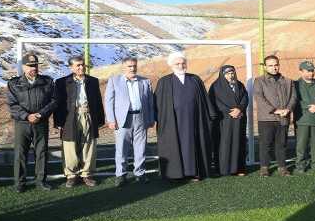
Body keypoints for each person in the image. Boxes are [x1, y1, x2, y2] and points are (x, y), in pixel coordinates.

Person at [155, 52, 216, 181]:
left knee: (194, 144)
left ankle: (194, 172)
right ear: (171, 65)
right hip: (174, 122)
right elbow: (158, 104)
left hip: (195, 120)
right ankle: (176, 174)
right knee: (175, 145)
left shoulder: (195, 79)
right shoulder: (164, 82)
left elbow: (204, 99)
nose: (180, 66)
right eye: (177, 63)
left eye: (183, 63)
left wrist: (210, 115)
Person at [7, 53, 57, 192]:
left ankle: (41, 181)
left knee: (41, 152)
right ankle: (19, 182)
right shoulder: (14, 83)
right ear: (23, 67)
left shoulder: (47, 82)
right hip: (22, 124)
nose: (33, 68)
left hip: (41, 122)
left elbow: (53, 101)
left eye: (35, 65)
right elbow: (12, 105)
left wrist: (40, 114)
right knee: (20, 153)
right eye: (29, 66)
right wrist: (26, 116)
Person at [104, 57, 155, 187]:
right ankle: (121, 175)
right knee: (121, 148)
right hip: (122, 120)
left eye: (134, 66)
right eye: (129, 66)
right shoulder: (114, 81)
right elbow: (109, 101)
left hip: (140, 118)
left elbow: (150, 102)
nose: (132, 68)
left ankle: (140, 173)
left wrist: (151, 118)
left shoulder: (145, 81)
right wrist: (111, 119)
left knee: (141, 147)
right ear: (123, 67)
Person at [55, 56, 105, 188]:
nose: (81, 67)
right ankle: (71, 175)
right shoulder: (61, 82)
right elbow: (58, 104)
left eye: (82, 65)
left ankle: (87, 174)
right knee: (69, 146)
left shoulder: (92, 81)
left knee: (89, 145)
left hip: (88, 115)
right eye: (78, 65)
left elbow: (98, 101)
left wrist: (100, 119)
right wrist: (58, 122)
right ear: (71, 67)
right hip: (69, 117)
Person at [253, 55, 296, 177]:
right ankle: (265, 168)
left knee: (281, 144)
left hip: (284, 117)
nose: (274, 68)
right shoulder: (259, 81)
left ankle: (282, 167)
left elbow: (294, 97)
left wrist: (288, 109)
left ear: (279, 65)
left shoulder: (288, 81)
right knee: (265, 144)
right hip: (267, 119)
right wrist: (275, 110)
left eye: (276, 65)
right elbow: (259, 98)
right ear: (265, 67)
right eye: (270, 65)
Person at [208, 65, 249, 176]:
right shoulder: (215, 86)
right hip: (223, 121)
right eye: (227, 73)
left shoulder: (239, 85)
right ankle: (222, 169)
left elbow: (245, 98)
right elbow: (214, 102)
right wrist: (229, 111)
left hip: (239, 119)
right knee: (223, 144)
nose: (230, 75)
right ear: (222, 74)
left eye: (232, 73)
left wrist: (239, 109)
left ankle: (238, 168)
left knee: (239, 143)